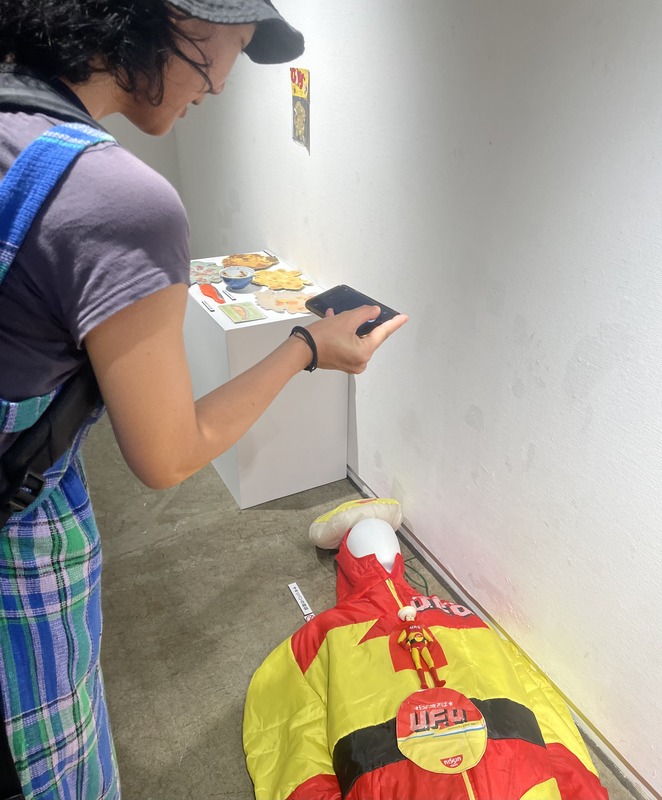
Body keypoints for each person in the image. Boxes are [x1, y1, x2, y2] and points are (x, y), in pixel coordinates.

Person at [0, 2, 408, 798]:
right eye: (234, 45)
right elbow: (167, 455)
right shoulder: (117, 199)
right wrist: (305, 348)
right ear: (166, 17)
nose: (221, 83)